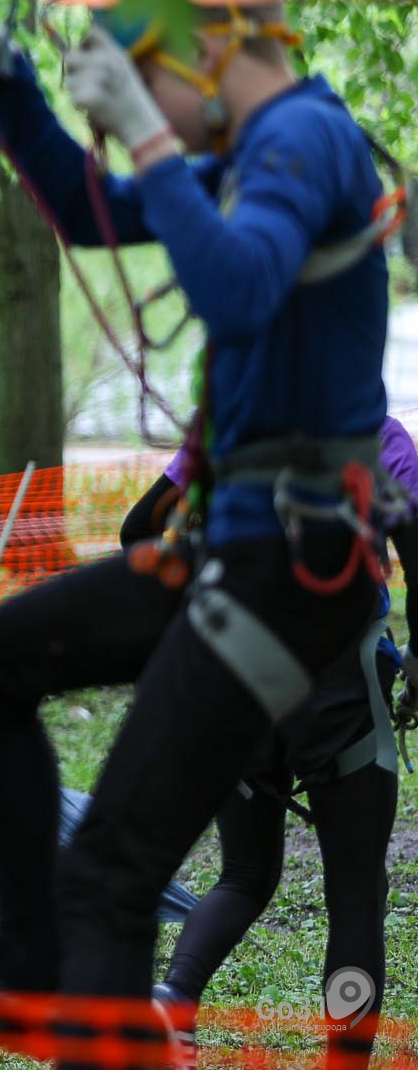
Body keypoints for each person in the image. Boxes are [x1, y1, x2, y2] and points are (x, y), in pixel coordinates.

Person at [0, 0, 401, 1036]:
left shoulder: (303, 140)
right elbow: (86, 209)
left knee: (112, 873)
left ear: (203, 45)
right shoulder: (250, 158)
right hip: (231, 553)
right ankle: (27, 958)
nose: (142, 109)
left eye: (143, 77)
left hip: (288, 567)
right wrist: (2, 74)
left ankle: (53, 965)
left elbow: (239, 287)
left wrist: (150, 140)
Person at [125, 417, 418, 1064]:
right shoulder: (377, 433)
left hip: (237, 679)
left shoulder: (229, 424)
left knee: (245, 873)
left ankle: (174, 998)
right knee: (356, 892)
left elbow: (137, 528)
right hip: (340, 684)